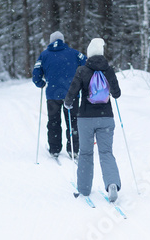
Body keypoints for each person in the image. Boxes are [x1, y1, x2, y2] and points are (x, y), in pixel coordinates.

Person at [64, 38, 121, 202]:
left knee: (86, 153)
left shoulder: (82, 70)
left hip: (86, 119)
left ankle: (83, 189)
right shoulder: (108, 70)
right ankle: (112, 184)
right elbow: (117, 94)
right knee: (106, 153)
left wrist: (68, 103)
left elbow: (72, 92)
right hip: (106, 118)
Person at [33, 31, 86, 159]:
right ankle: (73, 149)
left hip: (52, 94)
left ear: (51, 41)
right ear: (63, 40)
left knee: (53, 122)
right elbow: (86, 63)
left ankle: (55, 149)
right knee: (73, 122)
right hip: (71, 94)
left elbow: (36, 74)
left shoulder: (44, 55)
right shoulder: (74, 53)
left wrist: (40, 83)